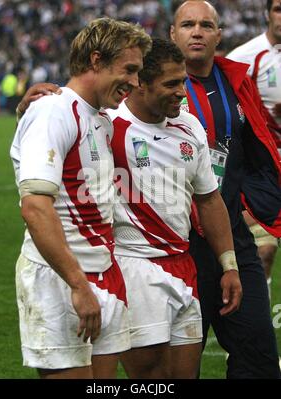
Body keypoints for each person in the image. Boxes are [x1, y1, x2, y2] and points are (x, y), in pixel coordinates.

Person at [17, 38, 243, 379]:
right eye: (171, 83)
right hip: (133, 266)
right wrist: (28, 111)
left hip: (184, 265)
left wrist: (229, 263)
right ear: (142, 84)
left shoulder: (189, 125)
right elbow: (59, 133)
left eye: (183, 81)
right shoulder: (108, 122)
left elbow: (209, 198)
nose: (182, 92)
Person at [10, 17, 151, 379]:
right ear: (95, 60)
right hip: (60, 278)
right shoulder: (53, 111)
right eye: (130, 70)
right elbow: (35, 208)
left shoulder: (99, 117)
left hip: (100, 272)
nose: (135, 82)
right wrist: (77, 284)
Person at [171, 0, 281, 379]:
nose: (197, 32)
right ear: (173, 34)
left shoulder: (236, 80)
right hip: (175, 246)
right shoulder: (147, 84)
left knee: (260, 357)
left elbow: (257, 149)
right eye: (187, 25)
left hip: (231, 236)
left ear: (219, 35)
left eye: (205, 25)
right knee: (178, 367)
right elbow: (99, 102)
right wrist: (51, 96)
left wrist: (253, 202)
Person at [227, 0, 281, 297]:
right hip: (265, 168)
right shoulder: (245, 57)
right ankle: (258, 312)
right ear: (266, 14)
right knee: (264, 250)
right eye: (278, 9)